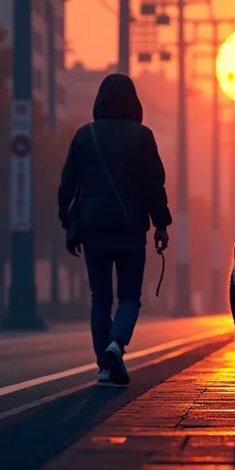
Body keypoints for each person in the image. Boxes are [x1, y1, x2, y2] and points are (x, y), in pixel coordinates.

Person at [58, 73, 172, 386]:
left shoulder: (85, 135)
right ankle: (116, 344)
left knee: (100, 298)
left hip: (93, 228)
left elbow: (68, 184)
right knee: (130, 297)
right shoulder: (142, 136)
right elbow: (153, 185)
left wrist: (69, 225)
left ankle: (105, 367)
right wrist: (161, 224)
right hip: (130, 227)